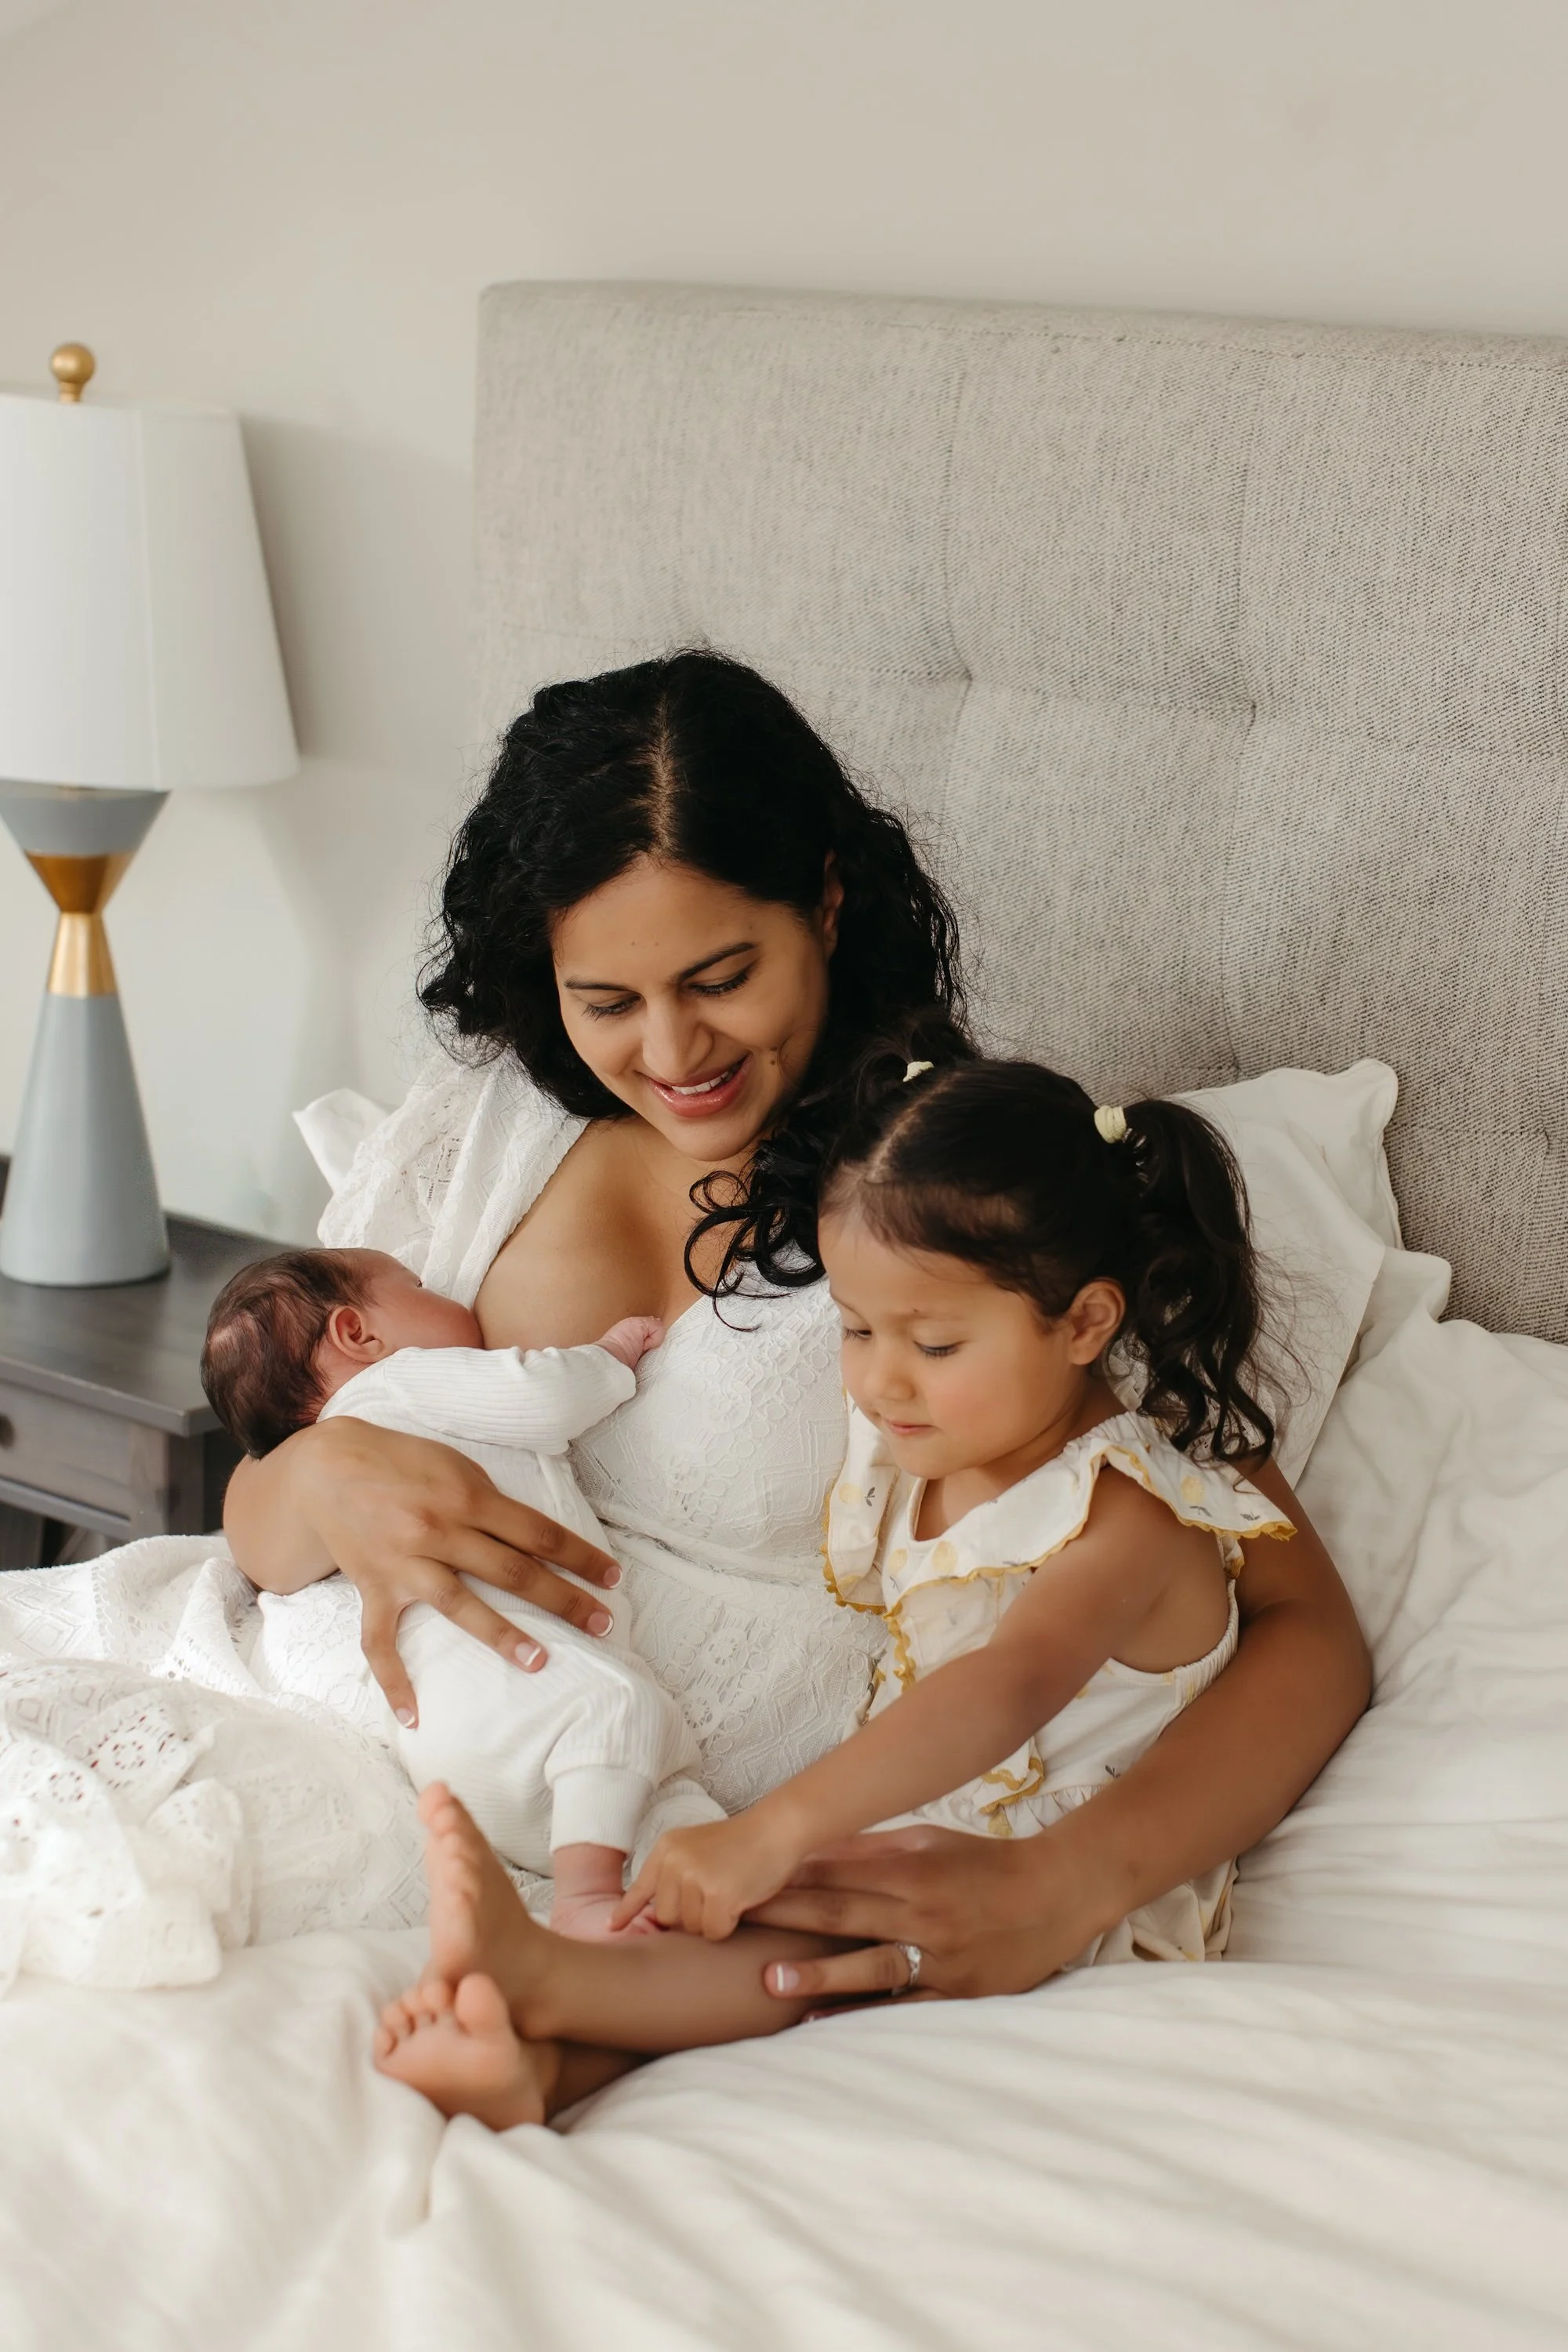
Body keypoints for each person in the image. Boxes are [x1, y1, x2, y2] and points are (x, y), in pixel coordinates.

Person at [225, 648, 1369, 2018]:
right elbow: (257, 1505)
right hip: (351, 1728)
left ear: (825, 901)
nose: (671, 1050)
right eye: (606, 1002)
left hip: (682, 1839)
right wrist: (317, 1478)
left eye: (721, 976)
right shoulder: (481, 1133)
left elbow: (1302, 1623)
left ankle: (542, 2022)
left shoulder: (941, 1200)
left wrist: (1076, 1877)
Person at [370, 1039, 1301, 2127]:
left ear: (1087, 1322)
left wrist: (774, 1832)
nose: (877, 1378)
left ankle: (545, 1976)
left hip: (1046, 1886)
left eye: (936, 1342)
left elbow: (1008, 1684)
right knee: (756, 1930)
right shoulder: (941, 1452)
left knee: (798, 1910)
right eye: (857, 1328)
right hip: (929, 1827)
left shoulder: (1131, 1512)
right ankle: (538, 2072)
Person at [201, 1245, 717, 1937]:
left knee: (653, 1793)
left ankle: (667, 1892)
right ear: (358, 1334)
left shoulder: (350, 1445)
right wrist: (612, 1356)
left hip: (451, 1731)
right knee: (619, 1713)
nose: (444, 1292)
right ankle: (585, 1903)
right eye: (417, 1285)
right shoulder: (401, 1382)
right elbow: (544, 1395)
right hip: (504, 1677)